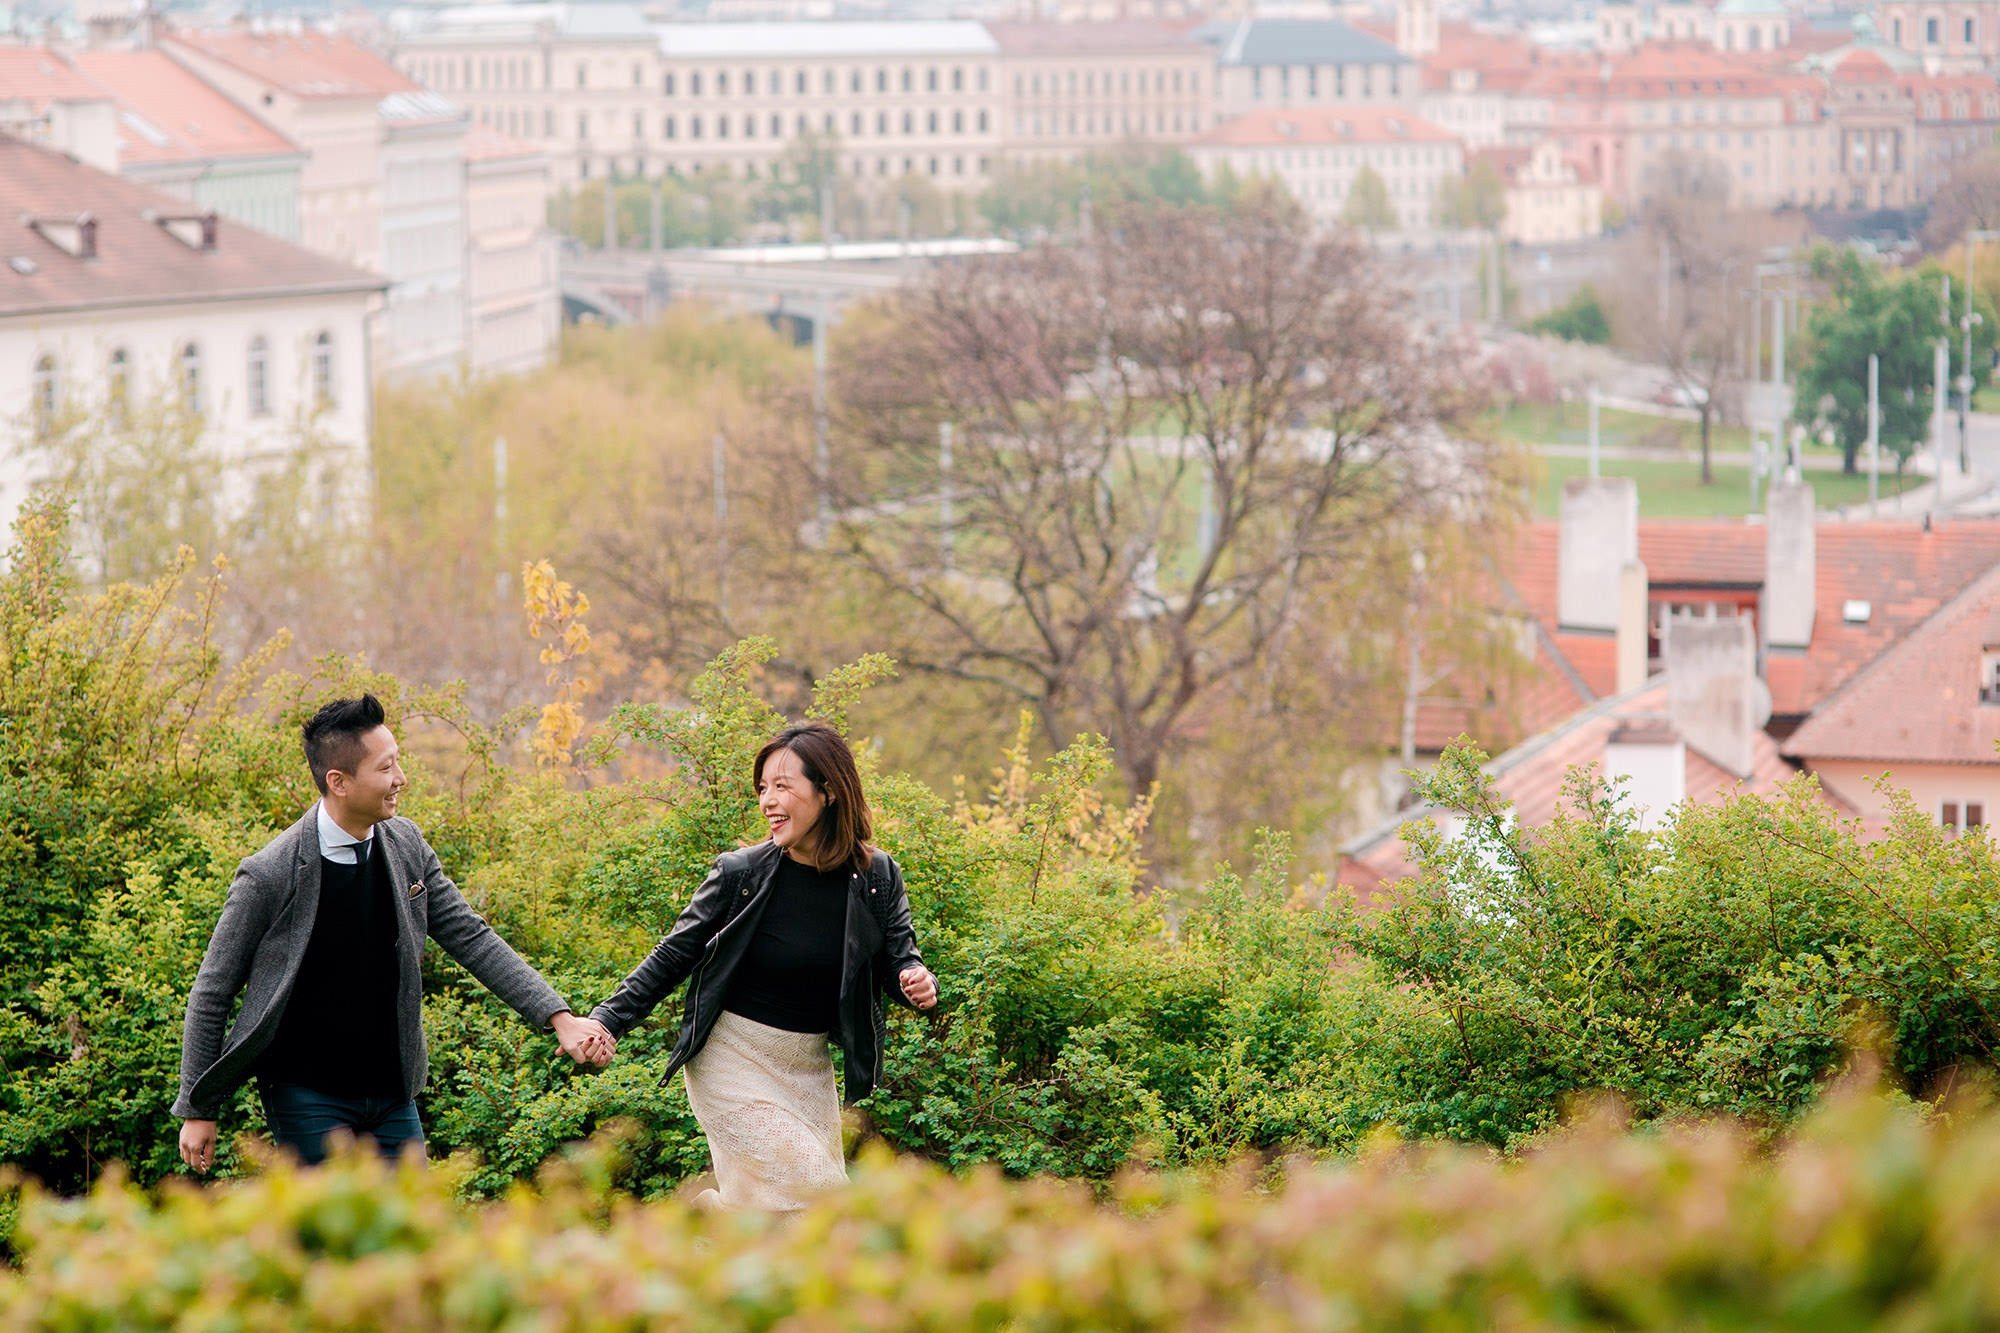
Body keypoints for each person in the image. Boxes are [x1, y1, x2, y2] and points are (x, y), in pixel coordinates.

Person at [173, 693, 615, 1170]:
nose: (400, 779)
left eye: (398, 763)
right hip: (306, 1095)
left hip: (392, 1093)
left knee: (413, 1235)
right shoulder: (270, 874)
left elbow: (472, 937)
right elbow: (213, 989)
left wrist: (560, 1018)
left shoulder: (406, 844)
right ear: (339, 782)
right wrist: (198, 1108)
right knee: (337, 1236)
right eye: (386, 769)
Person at [585, 722, 938, 1211]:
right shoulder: (741, 874)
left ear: (829, 792)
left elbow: (900, 957)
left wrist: (916, 981)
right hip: (731, 1058)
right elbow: (673, 954)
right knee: (821, 1197)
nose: (768, 800)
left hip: (808, 1067)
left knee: (796, 1222)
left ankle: (708, 1221)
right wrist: (607, 1020)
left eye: (783, 786)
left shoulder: (875, 875)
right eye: (762, 788)